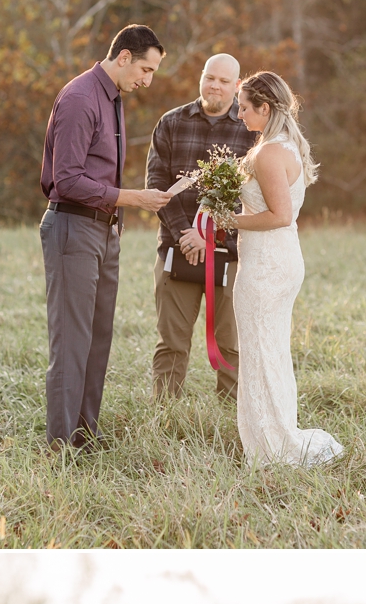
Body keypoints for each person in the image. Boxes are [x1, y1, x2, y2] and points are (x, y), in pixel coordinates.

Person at [38, 24, 174, 451]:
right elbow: (67, 179)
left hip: (104, 231)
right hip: (73, 228)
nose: (147, 80)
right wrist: (134, 197)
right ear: (124, 58)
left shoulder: (112, 96)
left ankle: (85, 437)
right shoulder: (81, 98)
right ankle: (62, 448)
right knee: (72, 341)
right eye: (146, 69)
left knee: (98, 339)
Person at [222, 72, 344, 466]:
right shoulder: (283, 145)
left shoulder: (270, 153)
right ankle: (270, 437)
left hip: (266, 265)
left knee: (260, 352)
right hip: (277, 260)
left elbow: (279, 215)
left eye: (244, 107)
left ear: (265, 108)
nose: (238, 114)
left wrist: (230, 220)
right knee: (268, 350)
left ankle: (274, 446)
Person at [145, 53, 257, 400]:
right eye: (210, 77)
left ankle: (232, 420)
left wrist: (211, 234)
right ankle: (166, 416)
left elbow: (255, 194)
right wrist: (185, 234)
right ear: (201, 78)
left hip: (231, 254)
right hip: (177, 249)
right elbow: (156, 182)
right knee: (172, 343)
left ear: (237, 86)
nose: (215, 86)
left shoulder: (250, 128)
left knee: (230, 345)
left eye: (224, 81)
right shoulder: (171, 122)